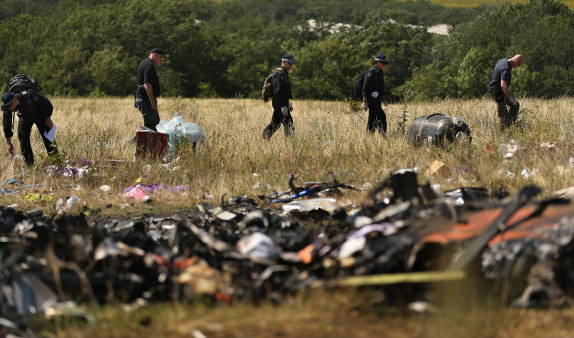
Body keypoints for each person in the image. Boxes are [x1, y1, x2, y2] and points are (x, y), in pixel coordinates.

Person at [2, 91, 58, 166]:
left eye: (8, 107)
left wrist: (48, 119)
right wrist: (8, 143)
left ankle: (56, 162)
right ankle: (29, 164)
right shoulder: (8, 107)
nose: (7, 109)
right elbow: (6, 124)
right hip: (25, 116)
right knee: (22, 136)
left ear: (14, 101)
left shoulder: (30, 97)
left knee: (48, 136)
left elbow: (48, 104)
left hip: (40, 114)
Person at [262, 54, 295, 140]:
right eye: (289, 63)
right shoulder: (279, 74)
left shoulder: (283, 73)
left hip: (282, 103)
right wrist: (282, 106)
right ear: (283, 62)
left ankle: (265, 137)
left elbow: (283, 92)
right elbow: (278, 92)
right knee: (289, 125)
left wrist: (287, 103)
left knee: (275, 124)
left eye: (292, 63)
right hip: (279, 104)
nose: (291, 65)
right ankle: (290, 144)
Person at [488, 54, 524, 130]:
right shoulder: (506, 68)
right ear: (516, 61)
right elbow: (503, 85)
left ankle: (510, 126)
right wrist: (511, 98)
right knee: (503, 114)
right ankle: (505, 130)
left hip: (499, 90)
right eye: (519, 64)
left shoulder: (503, 60)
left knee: (515, 105)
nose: (518, 66)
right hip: (497, 91)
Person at [135, 48, 166, 131]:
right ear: (155, 55)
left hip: (146, 100)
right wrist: (152, 101)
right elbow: (147, 85)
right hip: (146, 100)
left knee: (156, 125)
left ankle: (151, 143)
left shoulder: (146, 63)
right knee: (151, 128)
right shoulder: (148, 65)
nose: (161, 60)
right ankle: (134, 143)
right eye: (161, 57)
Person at [361, 54, 389, 135]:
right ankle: (383, 134)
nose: (384, 65)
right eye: (382, 63)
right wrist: (365, 103)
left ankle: (370, 135)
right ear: (377, 62)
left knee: (372, 118)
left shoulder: (380, 72)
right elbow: (365, 89)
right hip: (370, 99)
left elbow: (381, 87)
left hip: (377, 99)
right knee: (382, 117)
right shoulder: (370, 73)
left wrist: (384, 100)